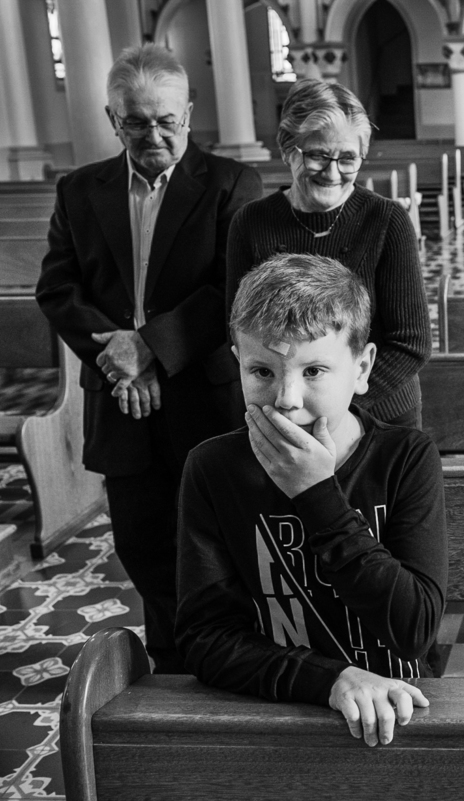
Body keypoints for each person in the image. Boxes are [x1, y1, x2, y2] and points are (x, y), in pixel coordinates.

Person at [36, 44, 262, 674]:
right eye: (136, 121)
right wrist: (120, 357)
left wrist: (151, 348)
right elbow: (58, 288)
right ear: (113, 120)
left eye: (167, 120)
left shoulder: (228, 184)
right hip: (118, 396)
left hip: (201, 393)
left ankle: (233, 658)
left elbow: (234, 285)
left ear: (189, 113)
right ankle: (174, 660)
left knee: (217, 537)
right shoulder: (80, 190)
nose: (154, 134)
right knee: (141, 540)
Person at [176, 253, 447, 748]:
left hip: (402, 711)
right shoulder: (212, 469)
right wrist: (331, 680)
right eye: (262, 371)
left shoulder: (406, 457)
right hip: (279, 715)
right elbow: (204, 640)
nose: (286, 398)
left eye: (315, 370)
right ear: (237, 363)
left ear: (362, 368)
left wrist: (317, 495)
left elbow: (416, 628)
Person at [227, 79, 430, 427]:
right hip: (283, 411)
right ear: (288, 148)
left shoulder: (387, 219)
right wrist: (288, 401)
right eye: (319, 155)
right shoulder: (251, 222)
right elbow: (237, 332)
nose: (333, 172)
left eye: (348, 158)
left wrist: (333, 410)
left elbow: (410, 342)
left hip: (380, 415)